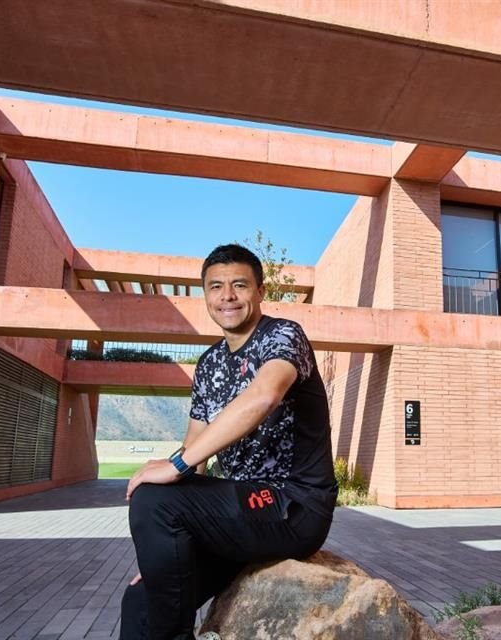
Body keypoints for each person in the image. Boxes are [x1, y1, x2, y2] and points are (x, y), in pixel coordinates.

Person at [120, 244, 338, 640]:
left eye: (239, 285)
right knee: (142, 599)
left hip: (293, 505)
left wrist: (176, 467)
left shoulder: (283, 336)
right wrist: (161, 554)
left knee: (155, 497)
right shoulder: (209, 364)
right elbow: (195, 447)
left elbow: (263, 396)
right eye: (216, 286)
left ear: (259, 292)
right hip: (241, 513)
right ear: (204, 295)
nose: (228, 296)